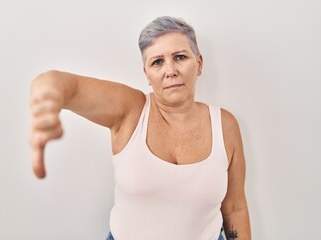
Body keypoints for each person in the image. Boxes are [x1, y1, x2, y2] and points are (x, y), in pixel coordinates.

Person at [29, 16, 251, 240]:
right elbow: (66, 85)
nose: (170, 70)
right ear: (146, 73)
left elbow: (234, 207)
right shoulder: (130, 110)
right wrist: (48, 99)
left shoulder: (225, 125)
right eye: (157, 62)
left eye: (180, 57)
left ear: (199, 63)